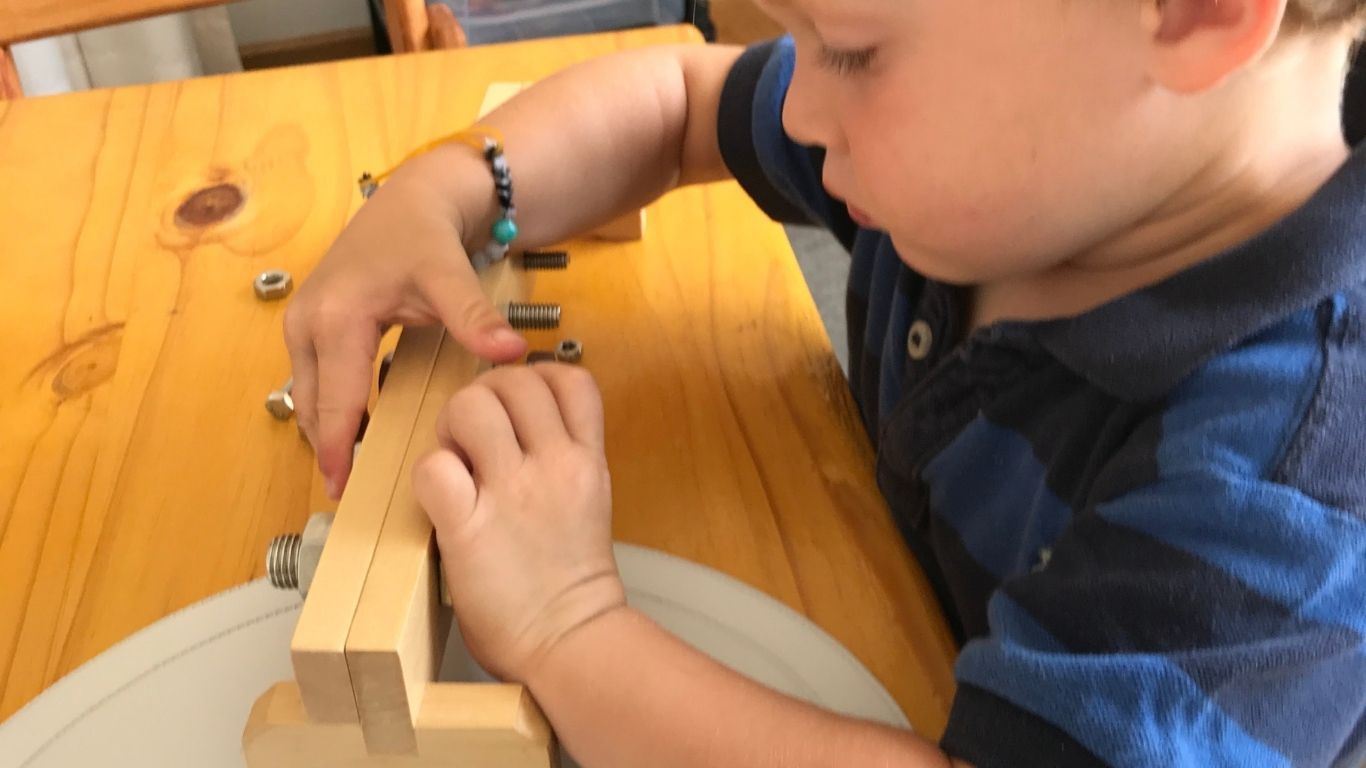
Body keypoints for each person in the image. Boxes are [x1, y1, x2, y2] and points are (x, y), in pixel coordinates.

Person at [282, 0, 1366, 765]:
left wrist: (568, 623)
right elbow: (677, 95)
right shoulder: (1039, 165)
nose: (796, 107)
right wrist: (454, 189)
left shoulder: (1299, 475)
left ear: (1190, 14)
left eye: (845, 48)